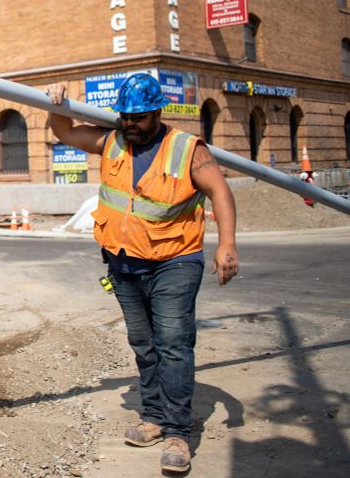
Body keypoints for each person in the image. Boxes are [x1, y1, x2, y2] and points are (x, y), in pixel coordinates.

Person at [46, 73, 239, 474]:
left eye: (138, 118)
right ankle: (153, 417)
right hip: (124, 263)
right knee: (144, 344)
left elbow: (220, 191)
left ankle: (177, 433)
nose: (129, 124)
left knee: (172, 343)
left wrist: (226, 245)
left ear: (157, 112)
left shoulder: (186, 149)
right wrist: (55, 101)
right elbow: (64, 132)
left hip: (175, 261)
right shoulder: (112, 139)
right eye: (125, 116)